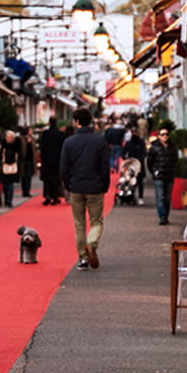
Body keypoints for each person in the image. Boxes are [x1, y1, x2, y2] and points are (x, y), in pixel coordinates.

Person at [60, 107, 110, 271]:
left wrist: (69, 185)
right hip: (95, 186)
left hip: (77, 186)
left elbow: (64, 167)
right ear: (90, 122)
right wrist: (105, 184)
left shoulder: (69, 142)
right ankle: (92, 243)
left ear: (76, 122)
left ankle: (83, 258)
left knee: (79, 223)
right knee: (96, 221)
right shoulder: (99, 141)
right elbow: (104, 166)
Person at [146, 126, 179, 225]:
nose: (165, 136)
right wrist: (154, 172)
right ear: (158, 136)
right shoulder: (155, 147)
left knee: (167, 197)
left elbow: (175, 159)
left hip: (169, 174)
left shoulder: (173, 147)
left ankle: (166, 215)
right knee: (160, 196)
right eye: (162, 134)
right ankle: (162, 216)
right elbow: (149, 161)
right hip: (159, 176)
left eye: (166, 134)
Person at [39, 117, 66, 206]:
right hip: (57, 159)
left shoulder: (45, 134)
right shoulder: (61, 134)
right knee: (55, 178)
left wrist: (42, 159)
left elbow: (42, 147)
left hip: (47, 159)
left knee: (46, 178)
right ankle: (55, 197)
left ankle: (47, 195)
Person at [122, 124, 147, 204]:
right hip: (130, 165)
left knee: (140, 182)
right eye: (133, 132)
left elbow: (144, 152)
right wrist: (126, 159)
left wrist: (140, 159)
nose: (134, 134)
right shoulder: (128, 143)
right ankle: (130, 196)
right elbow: (123, 152)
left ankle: (140, 197)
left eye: (136, 132)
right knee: (129, 180)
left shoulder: (141, 143)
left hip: (139, 165)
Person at [0, 129, 22, 208]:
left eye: (9, 137)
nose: (7, 138)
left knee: (10, 185)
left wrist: (19, 163)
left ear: (13, 138)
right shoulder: (3, 146)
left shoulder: (16, 146)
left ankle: (9, 201)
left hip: (13, 166)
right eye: (6, 137)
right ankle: (5, 198)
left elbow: (20, 155)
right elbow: (0, 156)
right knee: (4, 185)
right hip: (4, 166)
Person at [20, 126, 35, 197]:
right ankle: (24, 190)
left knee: (29, 176)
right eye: (30, 130)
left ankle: (27, 190)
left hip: (30, 159)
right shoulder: (21, 139)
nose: (31, 132)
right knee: (23, 176)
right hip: (23, 159)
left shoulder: (32, 139)